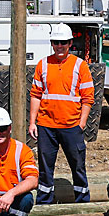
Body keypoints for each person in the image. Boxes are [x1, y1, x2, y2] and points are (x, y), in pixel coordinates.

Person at [28, 23, 94, 204]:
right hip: (46, 125)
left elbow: (88, 98)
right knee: (45, 168)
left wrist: (81, 124)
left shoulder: (80, 66)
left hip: (71, 126)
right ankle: (44, 201)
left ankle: (82, 201)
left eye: (63, 42)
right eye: (56, 42)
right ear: (52, 43)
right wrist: (32, 122)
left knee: (78, 165)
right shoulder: (43, 64)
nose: (59, 46)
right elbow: (35, 95)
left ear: (70, 43)